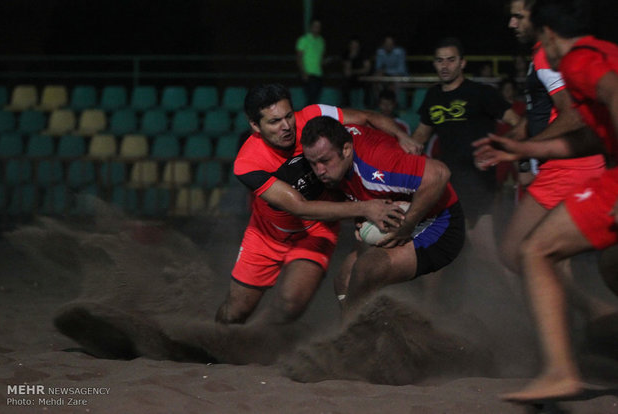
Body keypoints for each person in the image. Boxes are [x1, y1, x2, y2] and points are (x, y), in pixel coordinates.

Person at [478, 0, 618, 401]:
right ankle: (595, 322)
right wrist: (521, 149)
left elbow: (597, 102)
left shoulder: (569, 59)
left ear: (549, 34)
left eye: (524, 19)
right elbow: (591, 131)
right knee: (603, 265)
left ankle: (561, 369)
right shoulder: (602, 51)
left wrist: (528, 146)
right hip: (581, 165)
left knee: (533, 251)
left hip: (590, 175)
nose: (515, 24)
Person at [216, 83, 421, 326]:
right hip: (267, 234)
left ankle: (255, 340)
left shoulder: (313, 116)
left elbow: (367, 118)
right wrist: (366, 208)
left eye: (289, 116)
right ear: (254, 125)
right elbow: (300, 206)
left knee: (291, 305)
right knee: (236, 312)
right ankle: (216, 344)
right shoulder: (247, 163)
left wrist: (402, 136)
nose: (286, 126)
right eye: (274, 122)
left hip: (317, 229)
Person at [301, 116, 464, 313]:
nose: (319, 170)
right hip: (403, 210)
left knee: (366, 270)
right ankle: (363, 330)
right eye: (312, 163)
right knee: (343, 281)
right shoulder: (342, 135)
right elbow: (368, 117)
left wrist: (407, 225)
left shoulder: (375, 166)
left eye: (325, 161)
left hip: (441, 223)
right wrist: (400, 134)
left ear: (346, 149)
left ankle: (358, 336)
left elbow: (439, 174)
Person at [409, 37, 521, 241]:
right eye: (440, 60)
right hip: (448, 177)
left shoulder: (481, 93)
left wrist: (499, 149)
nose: (445, 66)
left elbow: (518, 122)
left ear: (462, 63)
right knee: (458, 244)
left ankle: (505, 273)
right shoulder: (433, 95)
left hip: (477, 178)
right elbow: (420, 135)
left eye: (451, 60)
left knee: (470, 243)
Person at [296, 18, 326, 105]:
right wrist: (303, 73)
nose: (317, 28)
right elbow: (298, 57)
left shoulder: (321, 41)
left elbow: (320, 59)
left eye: (318, 26)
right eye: (315, 26)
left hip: (319, 74)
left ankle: (311, 117)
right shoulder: (303, 40)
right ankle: (307, 118)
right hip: (308, 74)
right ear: (311, 27)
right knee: (311, 99)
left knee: (315, 99)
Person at [341, 36, 371, 107]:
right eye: (352, 44)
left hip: (362, 78)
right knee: (345, 84)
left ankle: (366, 106)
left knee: (367, 84)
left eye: (356, 45)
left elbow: (367, 69)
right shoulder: (346, 55)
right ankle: (347, 106)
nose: (354, 46)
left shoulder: (363, 54)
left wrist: (354, 72)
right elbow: (347, 71)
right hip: (351, 79)